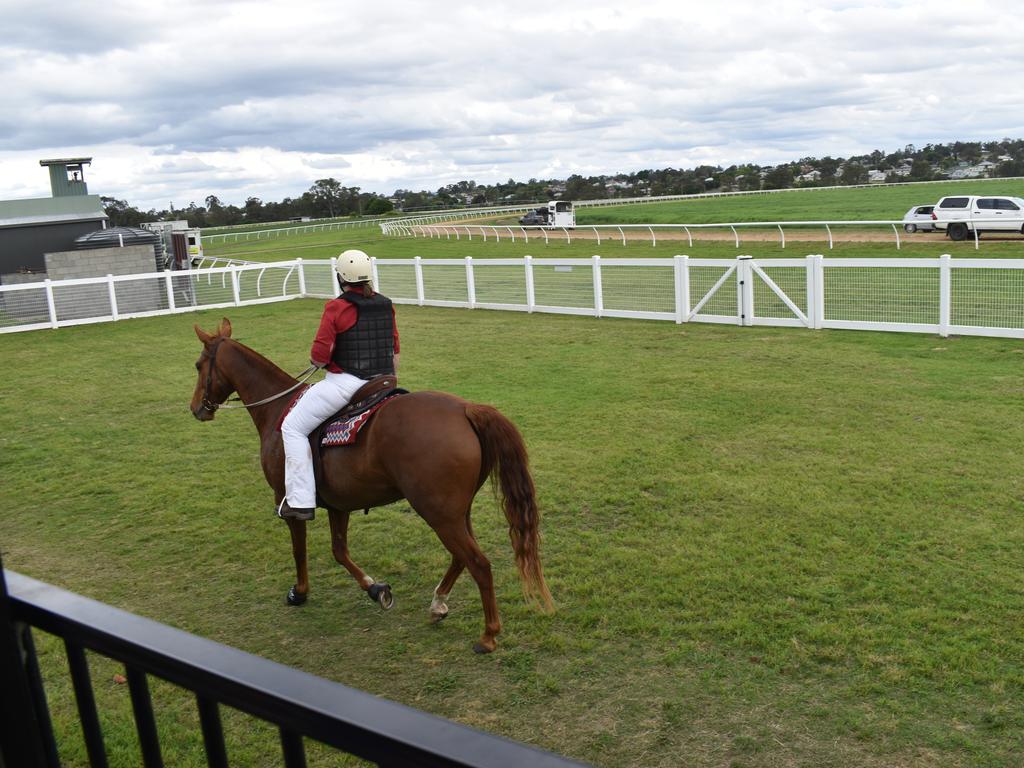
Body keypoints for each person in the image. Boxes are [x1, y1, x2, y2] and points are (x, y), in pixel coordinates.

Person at [277, 249, 400, 521]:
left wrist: (317, 360)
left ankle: (300, 501)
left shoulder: (336, 307)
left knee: (292, 428)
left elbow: (320, 357)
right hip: (385, 382)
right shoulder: (386, 303)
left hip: (346, 384)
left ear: (341, 277)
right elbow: (395, 349)